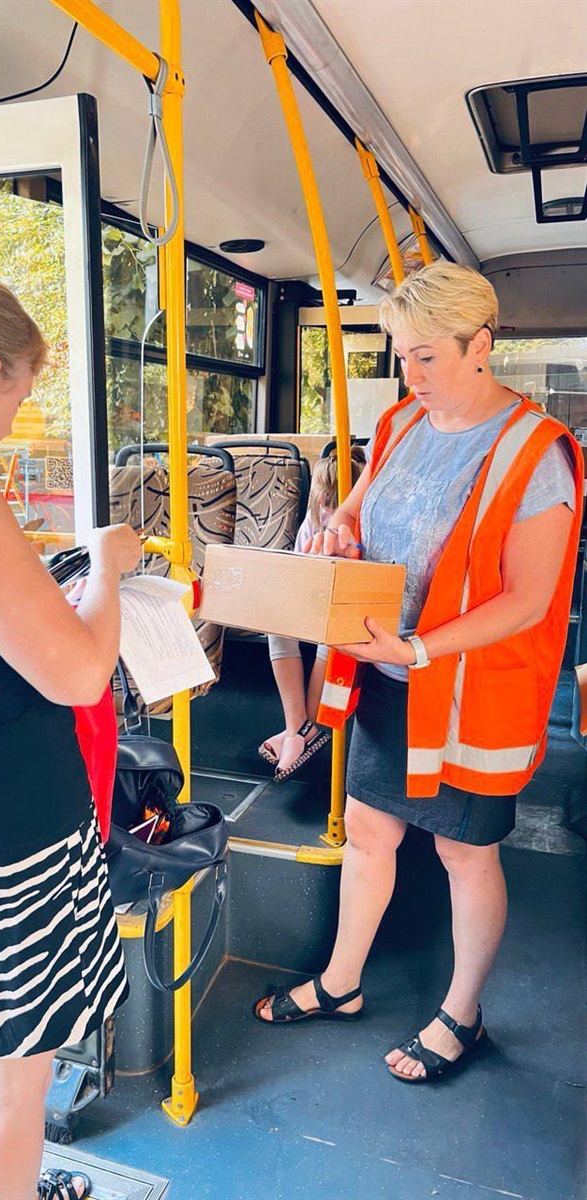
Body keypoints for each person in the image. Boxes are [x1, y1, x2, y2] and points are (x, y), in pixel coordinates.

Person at [254, 262, 583, 1084]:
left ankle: (461, 1014)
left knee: (463, 855)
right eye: (401, 355)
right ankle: (341, 983)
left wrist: (419, 649)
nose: (410, 374)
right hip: (386, 676)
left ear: (481, 345)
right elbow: (356, 509)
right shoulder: (401, 421)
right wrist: (334, 532)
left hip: (468, 688)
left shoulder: (535, 453)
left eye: (427, 356)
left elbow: (529, 600)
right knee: (370, 834)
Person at [0, 275, 144, 1199]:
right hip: (12, 832)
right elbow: (80, 672)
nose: (12, 424)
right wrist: (108, 571)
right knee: (21, 1079)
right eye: (16, 398)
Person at [258, 448, 365, 780]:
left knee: (329, 628)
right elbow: (299, 571)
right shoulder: (313, 521)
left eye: (337, 504)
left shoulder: (362, 525)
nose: (330, 511)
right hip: (316, 599)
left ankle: (303, 730)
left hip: (350, 609)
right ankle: (297, 726)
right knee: (275, 620)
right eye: (325, 503)